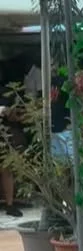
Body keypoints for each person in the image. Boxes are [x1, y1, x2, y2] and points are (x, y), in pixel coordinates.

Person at [0, 73, 25, 218]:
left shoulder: (5, 91)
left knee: (7, 168)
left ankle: (10, 204)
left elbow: (16, 114)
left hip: (4, 134)